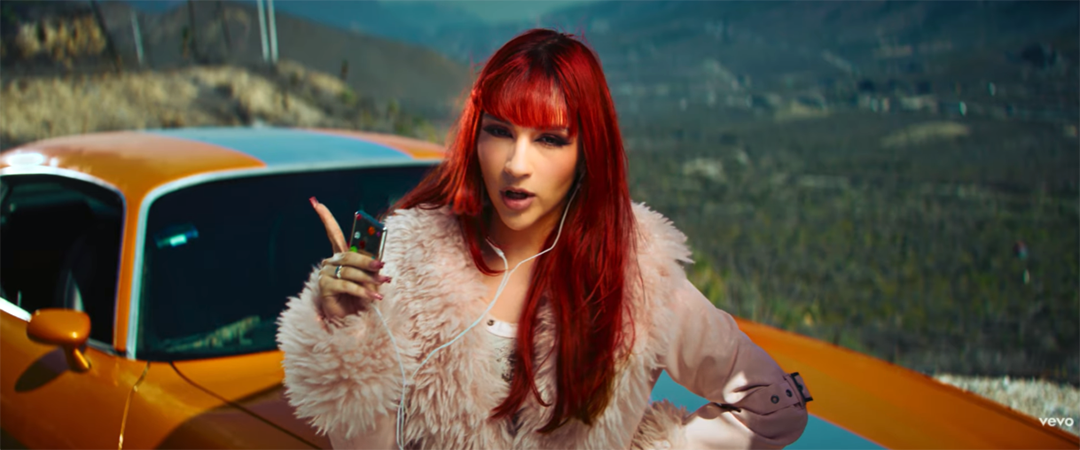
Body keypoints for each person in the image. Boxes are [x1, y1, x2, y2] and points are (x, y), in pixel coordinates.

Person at [277, 29, 811, 449]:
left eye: (550, 139)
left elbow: (775, 407)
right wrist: (347, 330)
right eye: (499, 131)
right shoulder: (409, 258)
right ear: (475, 135)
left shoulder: (636, 274)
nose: (516, 164)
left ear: (586, 154)